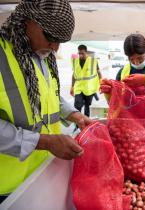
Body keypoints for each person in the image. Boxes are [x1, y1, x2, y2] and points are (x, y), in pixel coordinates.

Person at [0, 0, 93, 203]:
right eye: (50, 37)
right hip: (8, 188)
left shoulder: (40, 55)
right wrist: (43, 142)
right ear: (28, 20)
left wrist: (73, 114)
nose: (54, 47)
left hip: (43, 172)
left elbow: (47, 94)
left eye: (60, 41)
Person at [70, 44, 102, 117]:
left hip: (89, 88)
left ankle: (86, 123)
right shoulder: (75, 61)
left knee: (87, 106)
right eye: (79, 53)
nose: (81, 55)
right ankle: (77, 124)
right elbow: (74, 75)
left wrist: (101, 83)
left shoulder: (93, 61)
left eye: (82, 53)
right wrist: (72, 87)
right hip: (78, 88)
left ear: (86, 52)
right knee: (77, 105)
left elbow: (99, 73)